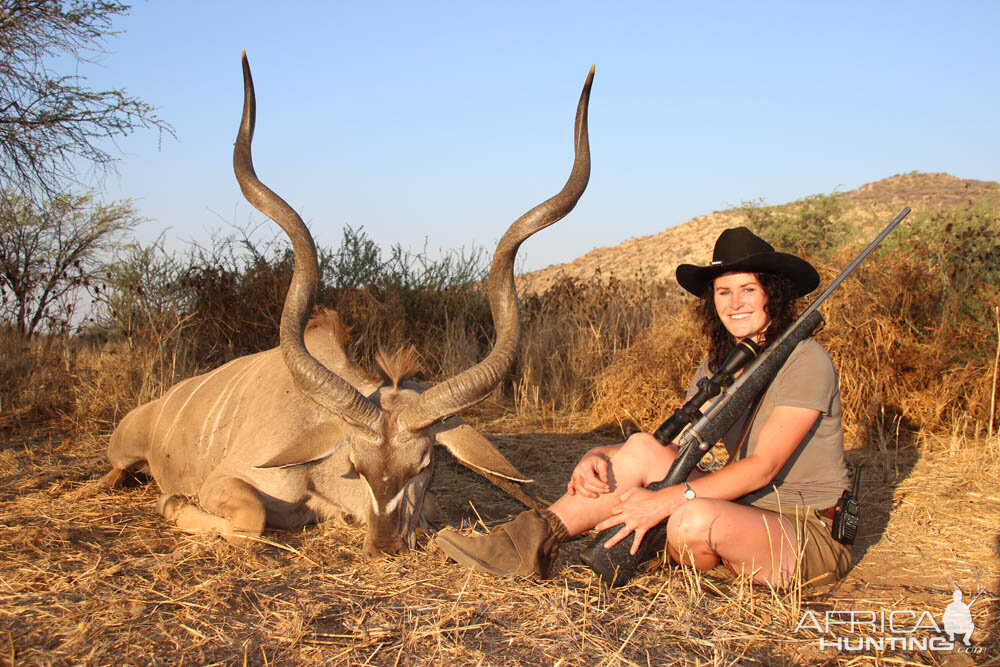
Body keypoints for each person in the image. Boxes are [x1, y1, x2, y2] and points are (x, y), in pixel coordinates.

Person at [435, 227, 852, 588]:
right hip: (741, 509)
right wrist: (597, 456)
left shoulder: (806, 359)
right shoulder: (718, 365)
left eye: (748, 290)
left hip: (804, 527)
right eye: (724, 292)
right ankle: (527, 543)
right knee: (638, 447)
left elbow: (762, 468)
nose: (735, 303)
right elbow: (669, 444)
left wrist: (667, 499)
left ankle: (670, 544)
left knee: (690, 520)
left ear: (771, 296)